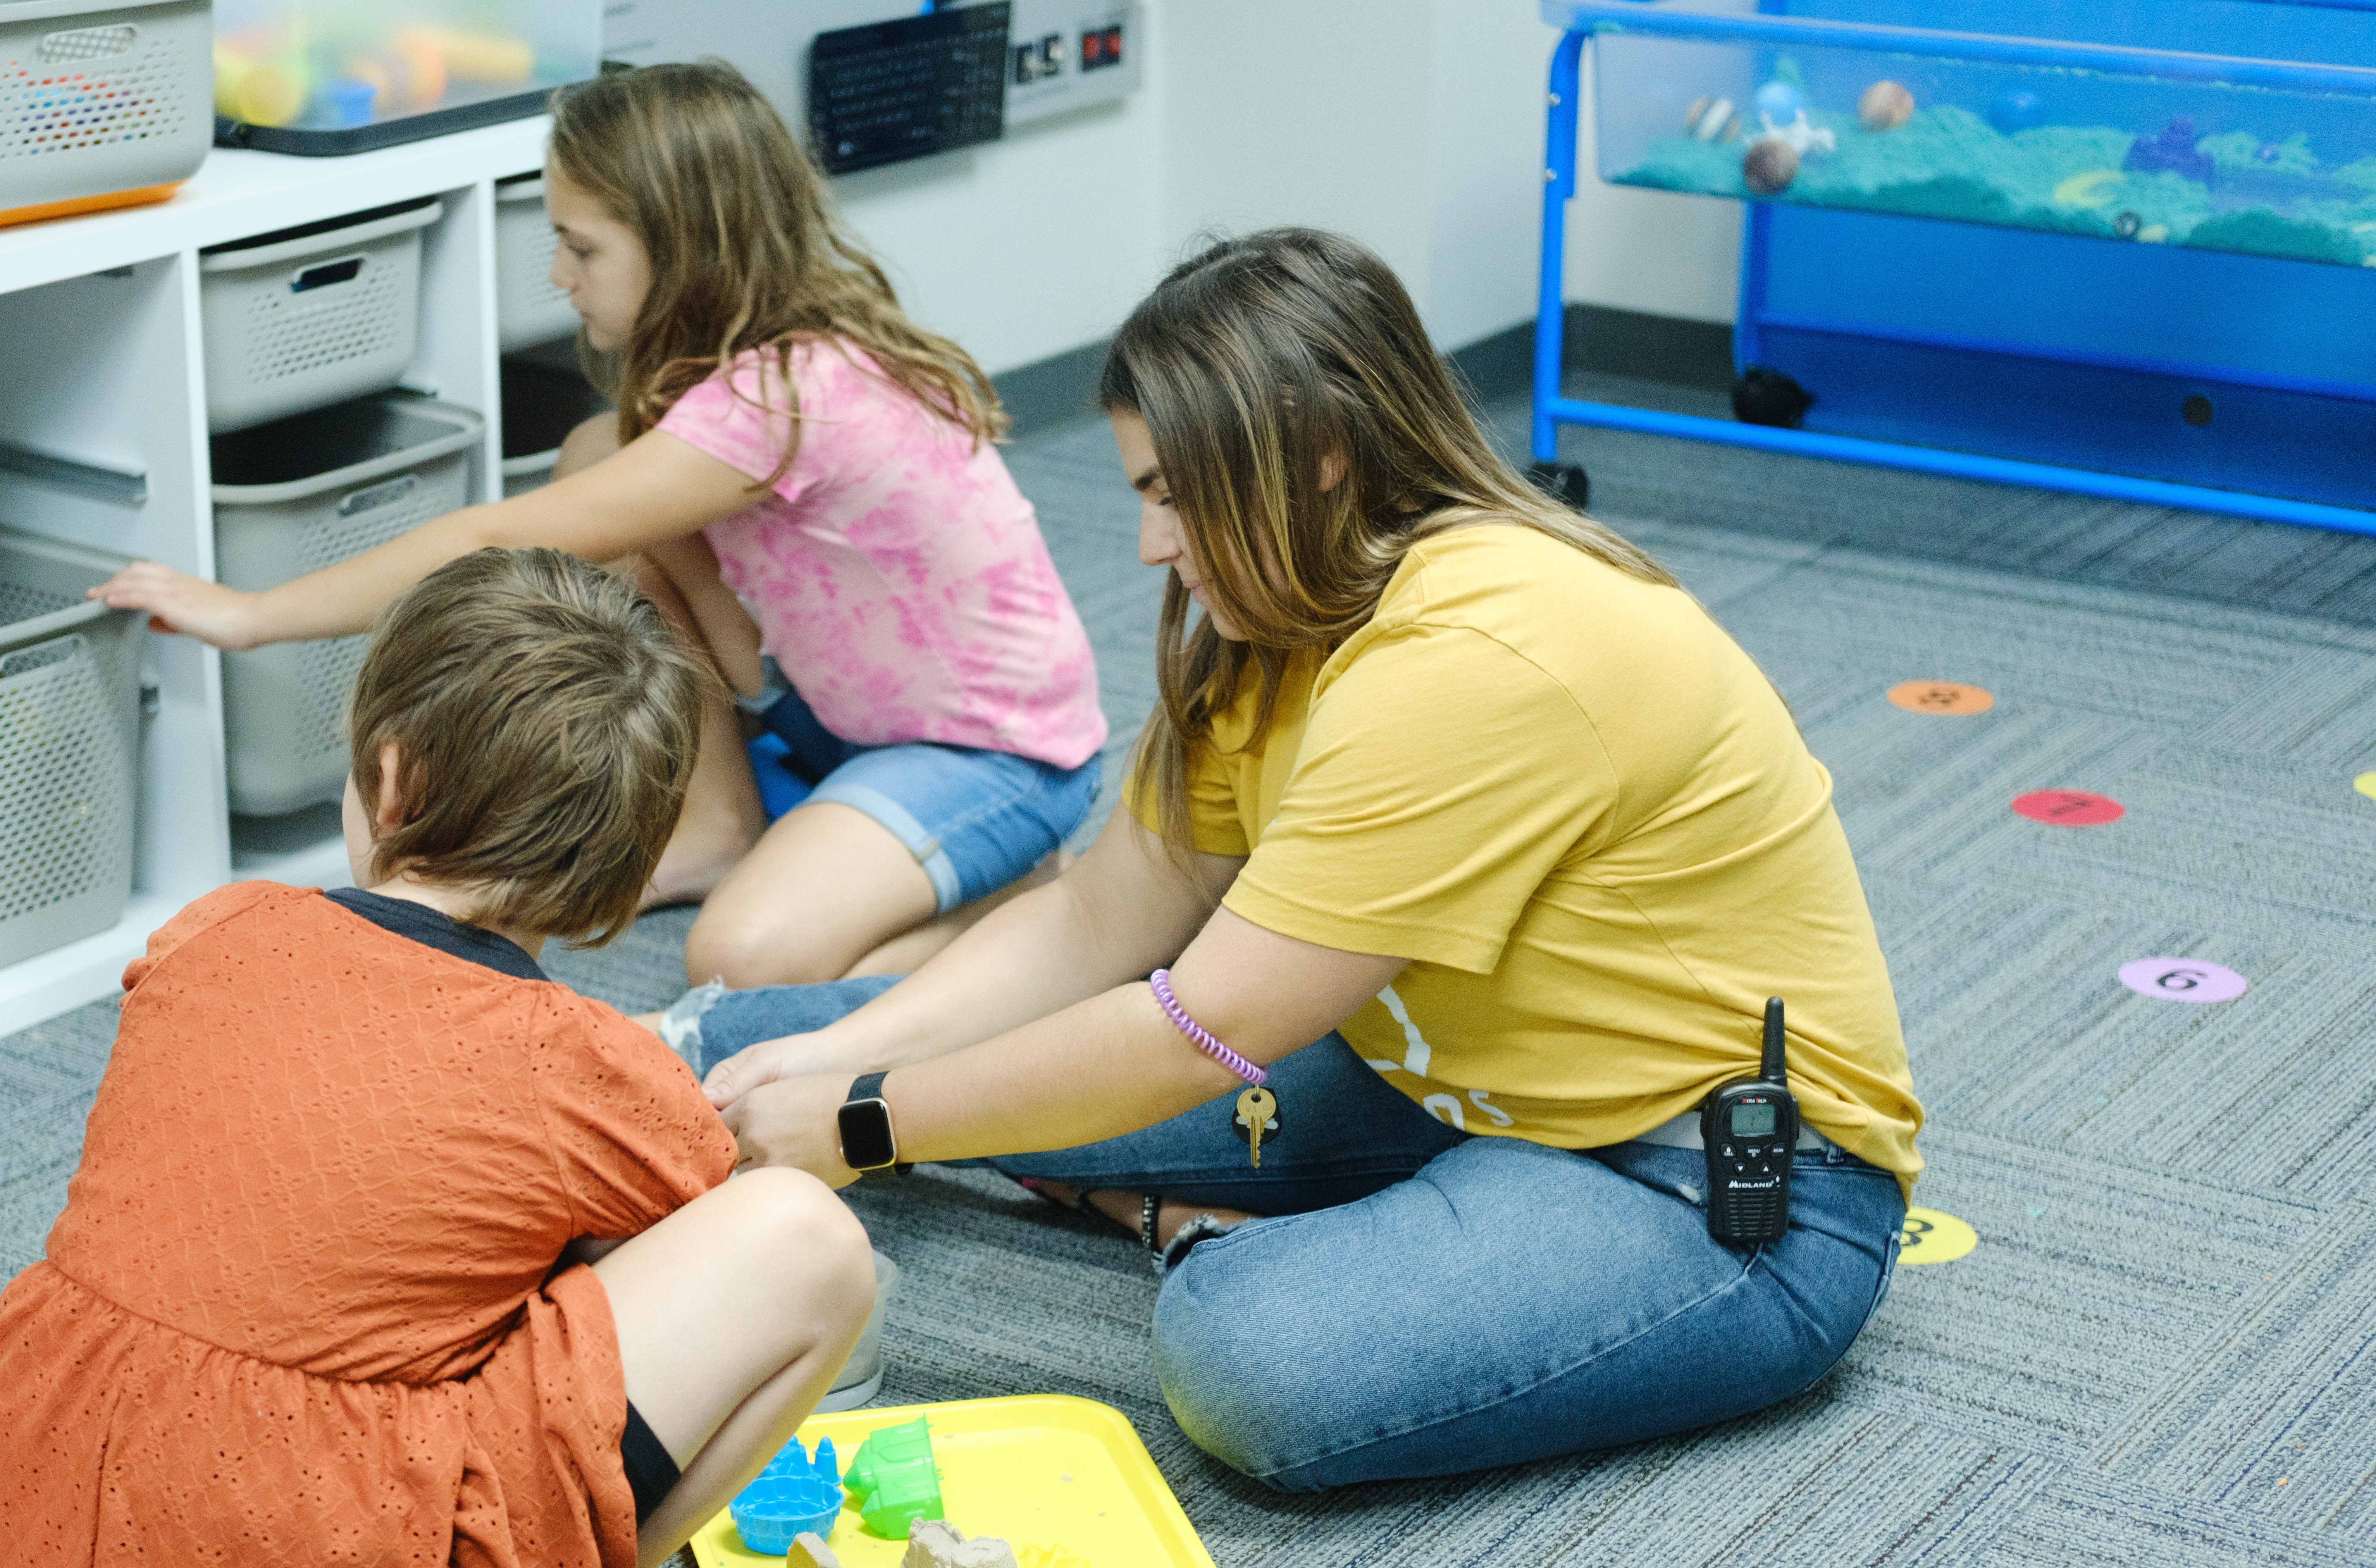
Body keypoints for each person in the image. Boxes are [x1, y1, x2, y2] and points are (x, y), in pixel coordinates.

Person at [694, 229, 1923, 1491]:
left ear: (1321, 454)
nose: (1149, 547)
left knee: (1248, 1358)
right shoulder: (1272, 620)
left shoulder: (1480, 648)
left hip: (1708, 1183)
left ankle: (1256, 1233)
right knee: (764, 1042)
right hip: (1433, 1069)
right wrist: (848, 1065)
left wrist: (865, 1120)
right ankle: (1287, 1213)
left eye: (1172, 494)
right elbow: (1096, 924)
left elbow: (1194, 1029)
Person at [0, 548, 874, 1568]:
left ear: (388, 779)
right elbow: (700, 1219)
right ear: (615, 882)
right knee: (808, 1245)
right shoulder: (587, 1067)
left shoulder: (213, 931)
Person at [90, 61, 1106, 988]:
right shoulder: (751, 370)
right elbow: (682, 595)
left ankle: (1038, 907)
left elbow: (490, 537)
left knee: (741, 956)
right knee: (592, 459)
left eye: (581, 246)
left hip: (996, 755)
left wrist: (251, 614)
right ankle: (719, 831)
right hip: (833, 715)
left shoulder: (785, 399)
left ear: (681, 247)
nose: (558, 274)